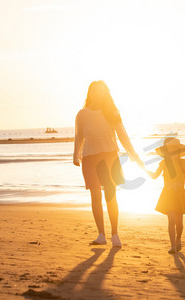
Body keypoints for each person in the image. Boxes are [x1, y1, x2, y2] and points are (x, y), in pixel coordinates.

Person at [73, 80, 144, 247]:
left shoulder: (111, 112)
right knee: (96, 197)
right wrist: (76, 154)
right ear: (89, 93)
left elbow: (122, 135)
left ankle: (115, 234)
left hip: (109, 157)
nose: (97, 94)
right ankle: (101, 235)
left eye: (100, 91)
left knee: (111, 196)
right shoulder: (82, 114)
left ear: (105, 93)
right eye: (94, 91)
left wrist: (133, 154)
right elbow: (79, 136)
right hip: (90, 158)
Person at [146, 137, 185, 254]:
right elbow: (154, 176)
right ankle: (172, 245)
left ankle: (178, 240)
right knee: (171, 219)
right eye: (170, 149)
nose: (172, 152)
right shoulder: (163, 163)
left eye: (175, 149)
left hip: (179, 194)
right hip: (168, 194)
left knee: (179, 223)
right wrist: (143, 168)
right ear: (166, 151)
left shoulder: (183, 162)